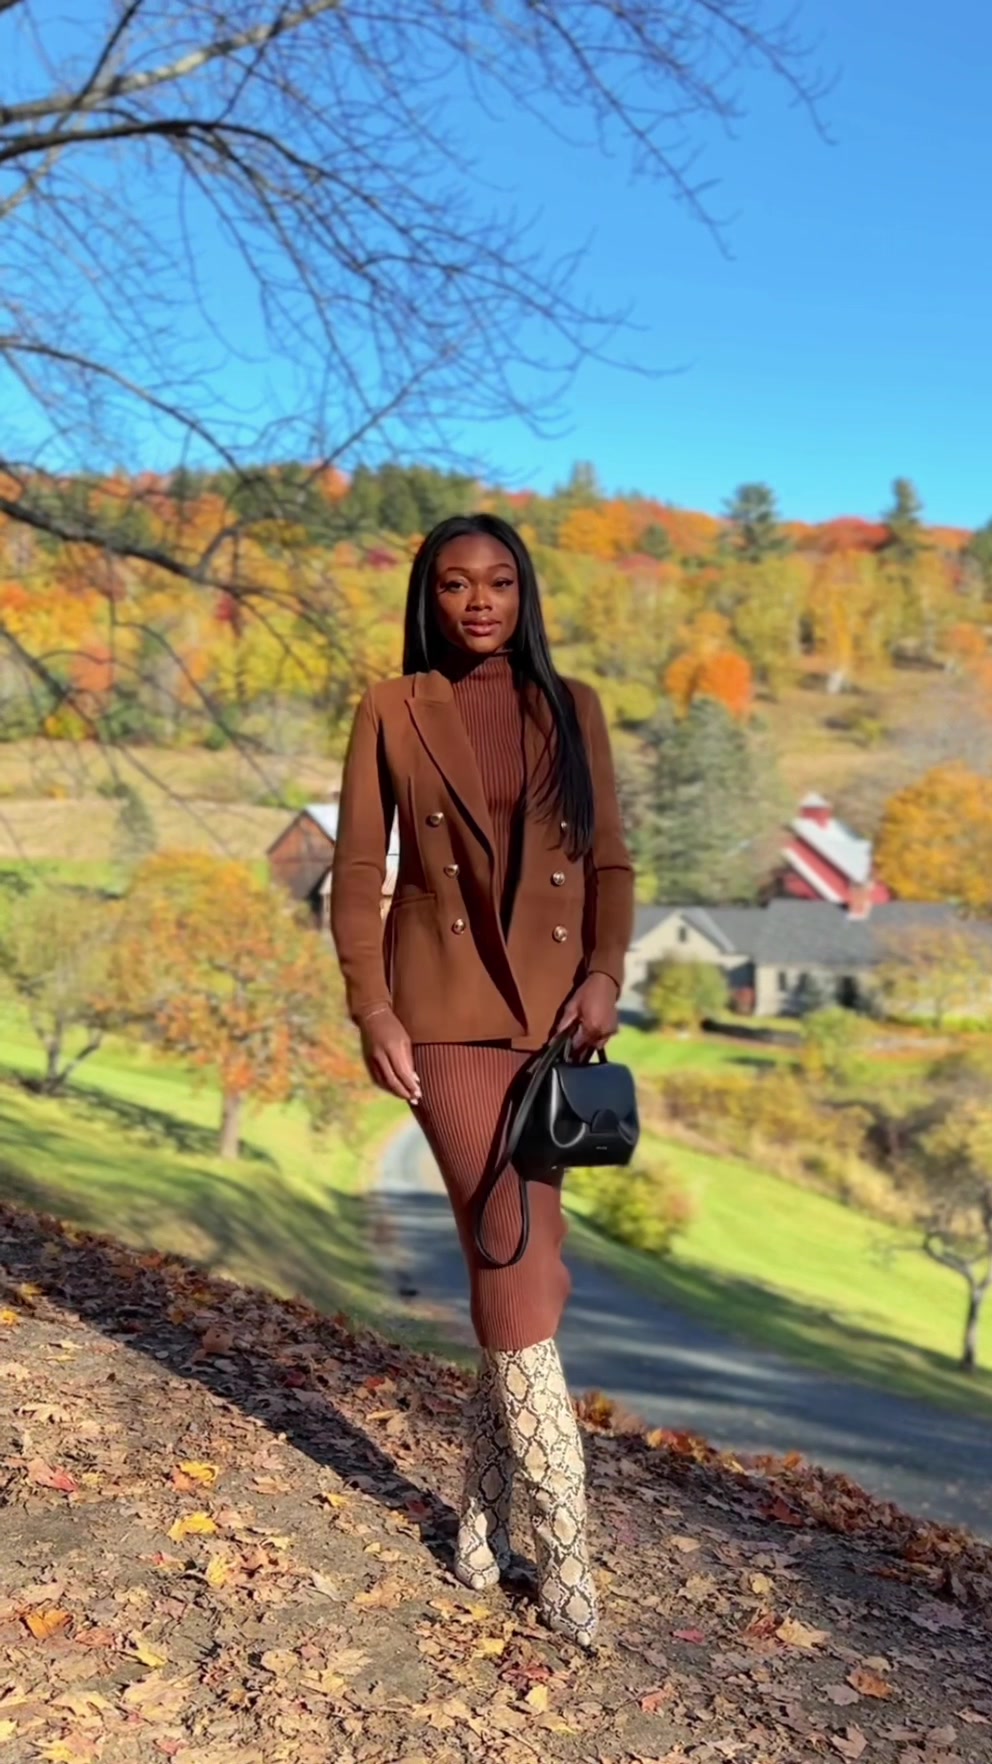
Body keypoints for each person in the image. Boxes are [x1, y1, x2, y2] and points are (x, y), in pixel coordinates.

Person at [331, 513, 634, 1648]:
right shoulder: (390, 708)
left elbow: (608, 861)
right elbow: (356, 871)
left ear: (523, 594)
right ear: (429, 598)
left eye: (499, 582)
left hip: (553, 1027)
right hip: (444, 1020)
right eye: (455, 584)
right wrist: (373, 1009)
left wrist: (604, 974)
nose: (478, 602)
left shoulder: (572, 707)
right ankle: (568, 1561)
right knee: (513, 1262)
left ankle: (475, 1532)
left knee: (525, 1268)